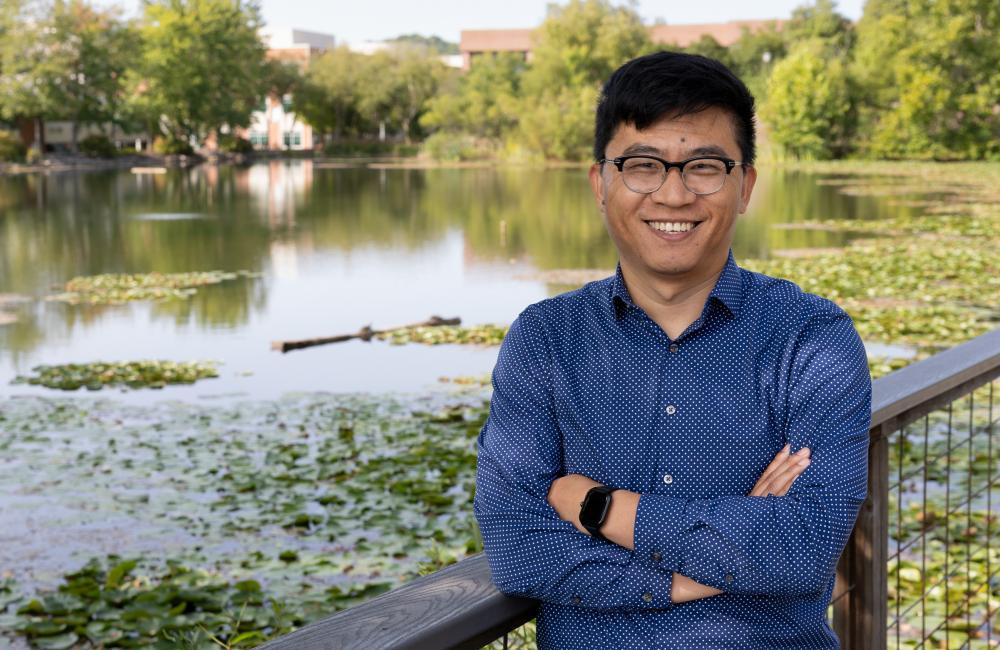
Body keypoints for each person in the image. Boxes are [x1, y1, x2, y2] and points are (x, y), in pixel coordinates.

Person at [474, 51, 871, 649]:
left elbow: (801, 549)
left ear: (745, 187)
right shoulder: (545, 340)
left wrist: (600, 508)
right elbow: (516, 545)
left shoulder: (811, 338)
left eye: (705, 166)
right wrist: (691, 577)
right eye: (642, 165)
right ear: (600, 184)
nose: (674, 193)